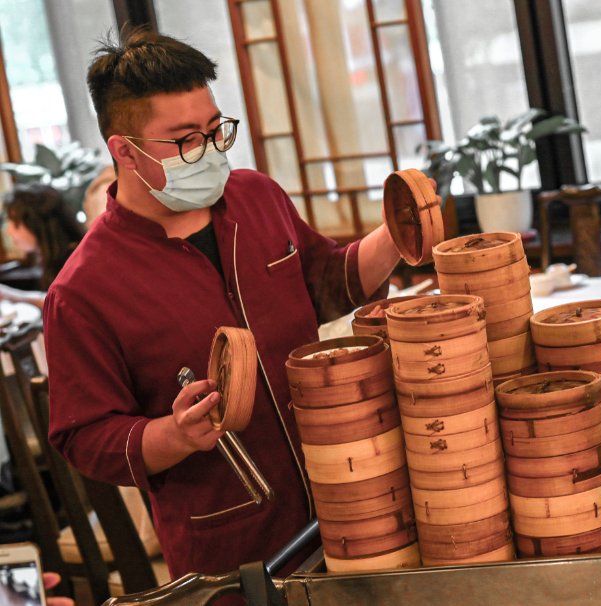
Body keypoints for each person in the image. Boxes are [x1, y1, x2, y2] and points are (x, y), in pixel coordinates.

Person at [44, 30, 401, 584]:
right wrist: (174, 434)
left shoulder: (257, 197)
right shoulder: (84, 290)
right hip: (233, 548)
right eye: (185, 140)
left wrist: (397, 235)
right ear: (124, 151)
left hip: (348, 497)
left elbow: (326, 282)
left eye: (215, 131)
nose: (209, 152)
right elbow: (85, 437)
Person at [0, 184, 84, 307]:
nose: (9, 231)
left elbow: (64, 305)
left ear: (37, 225)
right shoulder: (50, 257)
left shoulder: (74, 262)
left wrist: (12, 295)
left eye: (16, 224)